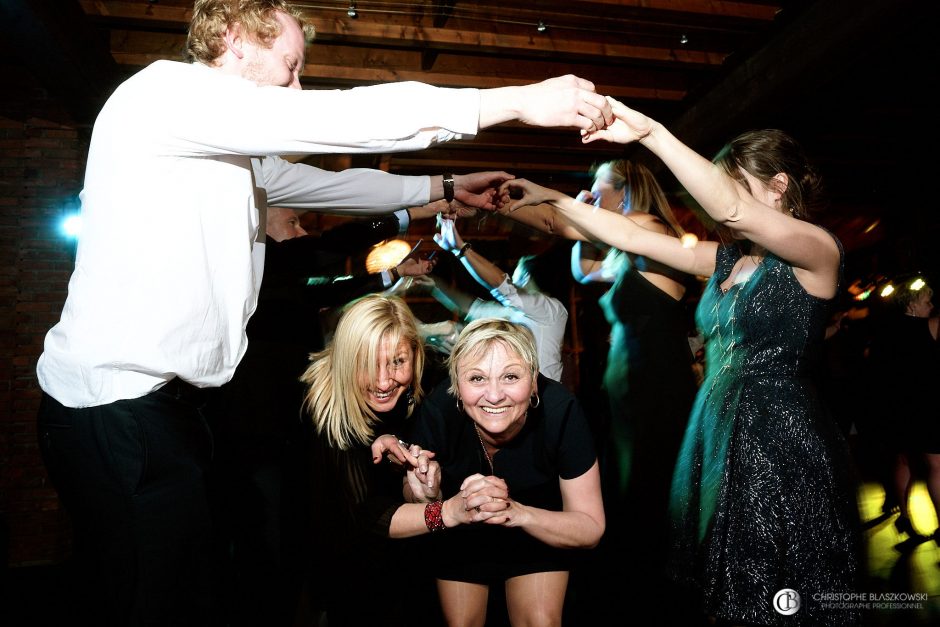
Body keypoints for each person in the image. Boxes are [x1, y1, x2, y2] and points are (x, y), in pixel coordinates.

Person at [33, 0, 614, 622]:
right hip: (117, 407)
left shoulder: (227, 148)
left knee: (189, 590)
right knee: (151, 599)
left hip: (168, 411)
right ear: (233, 37)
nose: (297, 86)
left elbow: (330, 186)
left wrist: (443, 188)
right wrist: (514, 102)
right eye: (289, 66)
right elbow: (347, 117)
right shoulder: (165, 96)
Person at [501, 102, 862, 625]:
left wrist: (649, 132)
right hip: (716, 428)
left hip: (779, 436)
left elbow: (735, 211)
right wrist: (552, 198)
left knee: (782, 582)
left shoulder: (817, 250)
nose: (718, 202)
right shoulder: (724, 259)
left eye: (732, 185)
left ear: (778, 184)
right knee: (726, 584)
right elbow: (628, 236)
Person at [206, 201, 443, 627]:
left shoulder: (280, 284)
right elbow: (328, 253)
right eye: (292, 223)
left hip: (295, 432)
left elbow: (325, 292)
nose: (301, 233)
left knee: (306, 538)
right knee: (271, 544)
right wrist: (410, 209)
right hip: (260, 437)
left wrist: (395, 274)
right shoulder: (249, 272)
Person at [491, 158, 698, 618]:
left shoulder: (647, 227)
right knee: (633, 489)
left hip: (657, 382)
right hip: (631, 388)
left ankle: (668, 592)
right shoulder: (624, 245)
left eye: (599, 187)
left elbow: (555, 223)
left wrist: (507, 203)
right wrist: (583, 210)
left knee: (652, 485)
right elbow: (584, 271)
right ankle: (648, 583)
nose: (592, 194)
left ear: (624, 192)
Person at [409, 318, 605, 626]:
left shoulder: (561, 412)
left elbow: (591, 528)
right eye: (477, 379)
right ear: (457, 386)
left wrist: (516, 513)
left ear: (534, 381)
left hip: (539, 528)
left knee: (540, 621)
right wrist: (428, 493)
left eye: (510, 376)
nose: (495, 395)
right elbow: (412, 499)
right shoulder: (438, 410)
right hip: (461, 534)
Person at [426, 217, 569, 381]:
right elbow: (470, 308)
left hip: (543, 401)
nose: (513, 279)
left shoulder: (550, 310)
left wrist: (461, 249)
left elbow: (502, 285)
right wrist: (432, 286)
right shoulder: (514, 313)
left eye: (518, 275)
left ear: (530, 276)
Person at [867, 281, 940, 545]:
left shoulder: (885, 331)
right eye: (927, 301)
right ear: (912, 304)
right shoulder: (930, 327)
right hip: (928, 403)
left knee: (903, 461)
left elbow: (876, 371)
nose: (931, 306)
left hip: (896, 405)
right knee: (936, 466)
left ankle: (905, 518)